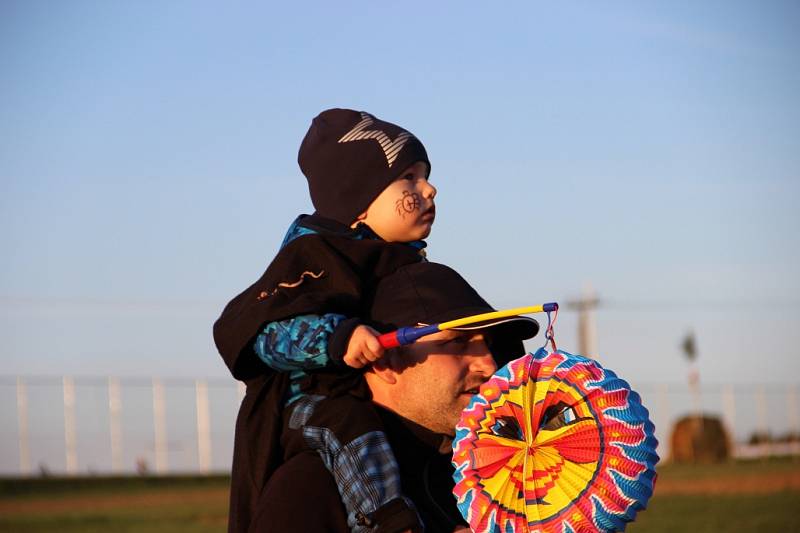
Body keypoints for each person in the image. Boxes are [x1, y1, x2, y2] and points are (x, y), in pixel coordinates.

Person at [214, 108, 441, 532]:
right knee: (351, 426)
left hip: (372, 399)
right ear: (357, 200)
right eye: (409, 177)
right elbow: (264, 333)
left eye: (425, 175)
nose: (429, 189)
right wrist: (337, 336)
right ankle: (387, 521)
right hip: (310, 407)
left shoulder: (402, 263)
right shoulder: (313, 257)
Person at [253, 261, 540, 532]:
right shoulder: (311, 487)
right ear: (385, 361)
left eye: (488, 344)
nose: (488, 364)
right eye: (458, 341)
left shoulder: (484, 481)